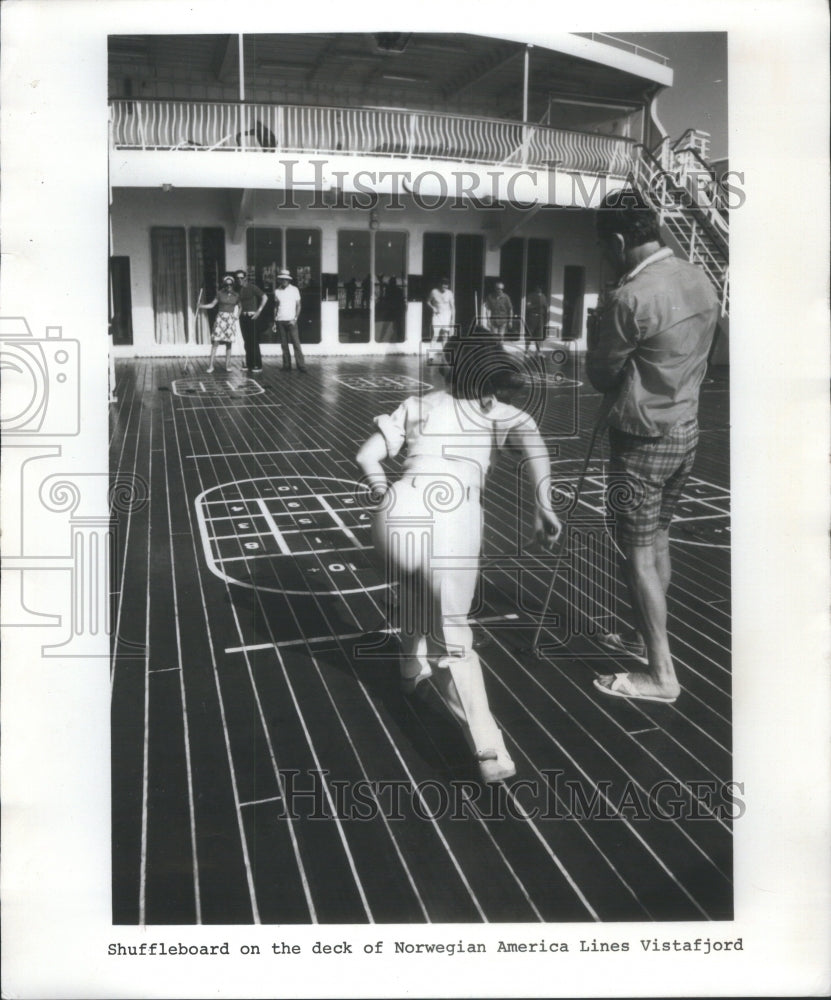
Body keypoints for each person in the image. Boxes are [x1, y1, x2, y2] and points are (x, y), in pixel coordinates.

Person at [356, 331, 561, 782]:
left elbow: (365, 455)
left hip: (395, 510)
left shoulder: (416, 405)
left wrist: (383, 494)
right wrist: (543, 503)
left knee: (409, 582)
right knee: (455, 639)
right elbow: (534, 446)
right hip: (453, 514)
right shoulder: (497, 411)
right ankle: (488, 750)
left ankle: (410, 668)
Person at [586, 190, 719, 704]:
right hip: (686, 431)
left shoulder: (629, 297)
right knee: (658, 539)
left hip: (641, 441)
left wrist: (603, 328)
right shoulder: (699, 278)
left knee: (635, 554)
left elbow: (602, 375)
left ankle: (661, 674)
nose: (606, 255)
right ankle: (644, 639)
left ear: (619, 240)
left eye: (605, 247)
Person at [199, 274, 241, 373]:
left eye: (230, 285)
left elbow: (240, 307)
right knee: (215, 342)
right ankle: (210, 366)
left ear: (233, 285)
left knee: (229, 343)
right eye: (227, 285)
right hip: (220, 318)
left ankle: (228, 365)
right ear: (224, 285)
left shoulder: (236, 295)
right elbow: (212, 304)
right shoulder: (220, 293)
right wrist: (201, 306)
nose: (229, 286)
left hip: (230, 319)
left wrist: (237, 316)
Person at [273, 268, 306, 372]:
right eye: (282, 279)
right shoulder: (277, 291)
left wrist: (295, 319)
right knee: (284, 344)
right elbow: (276, 307)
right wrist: (275, 321)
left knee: (296, 343)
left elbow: (299, 305)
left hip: (291, 320)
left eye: (286, 279)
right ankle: (286, 365)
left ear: (289, 280)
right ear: (280, 280)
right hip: (280, 320)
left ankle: (301, 366)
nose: (284, 281)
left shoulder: (294, 290)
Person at [235, 269, 268, 372]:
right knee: (246, 341)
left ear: (245, 277)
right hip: (243, 317)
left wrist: (259, 311)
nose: (240, 280)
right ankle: (249, 364)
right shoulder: (238, 290)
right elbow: (239, 305)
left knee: (254, 341)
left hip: (252, 316)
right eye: (238, 278)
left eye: (241, 277)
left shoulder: (252, 287)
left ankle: (257, 365)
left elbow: (265, 297)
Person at [427, 277, 455, 343]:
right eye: (443, 284)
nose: (445, 286)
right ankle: (431, 352)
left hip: (446, 316)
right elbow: (428, 301)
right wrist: (433, 307)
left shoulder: (450, 293)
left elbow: (453, 307)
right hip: (437, 315)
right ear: (440, 284)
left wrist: (452, 319)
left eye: (446, 285)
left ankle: (444, 352)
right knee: (436, 334)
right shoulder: (434, 292)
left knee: (445, 335)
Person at [524, 284, 549, 355]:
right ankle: (526, 351)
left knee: (539, 335)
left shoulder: (543, 297)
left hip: (540, 318)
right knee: (529, 334)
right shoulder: (530, 296)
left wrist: (546, 319)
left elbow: (546, 309)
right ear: (536, 288)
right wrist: (536, 306)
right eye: (538, 288)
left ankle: (539, 351)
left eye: (541, 288)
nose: (539, 289)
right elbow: (527, 307)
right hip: (532, 317)